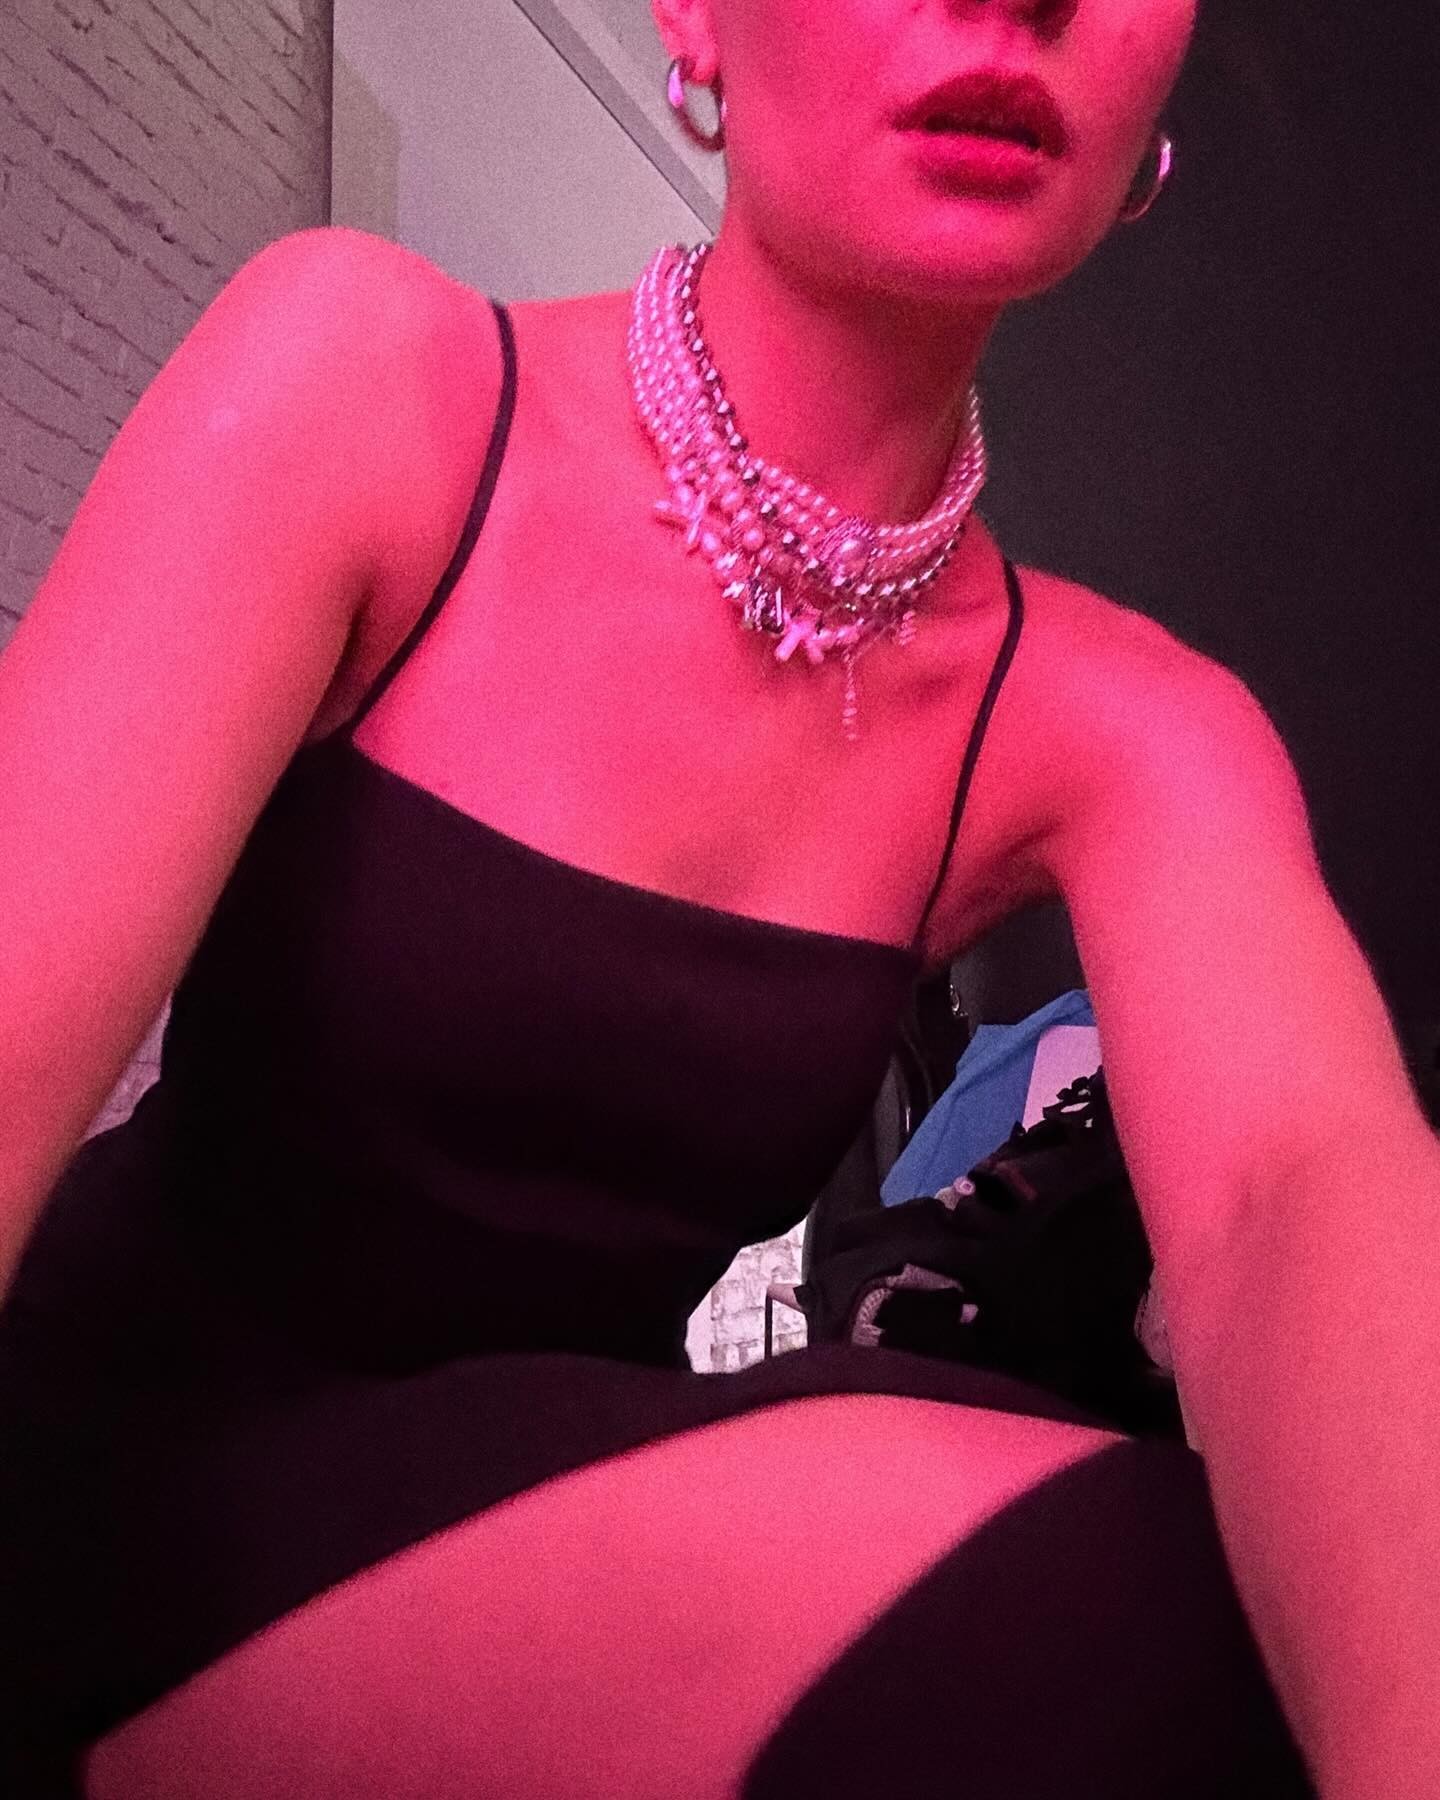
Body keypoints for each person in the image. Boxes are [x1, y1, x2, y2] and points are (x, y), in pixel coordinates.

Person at [1, 0, 1436, 1793]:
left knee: (1268, 1609)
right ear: (692, 12)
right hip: (109, 1513)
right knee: (1114, 1614)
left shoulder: (1126, 730)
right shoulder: (367, 380)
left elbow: (1299, 1200)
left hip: (536, 1540)